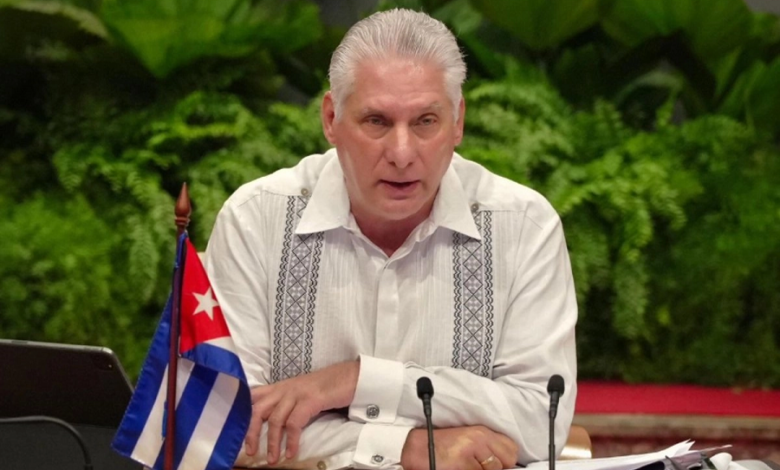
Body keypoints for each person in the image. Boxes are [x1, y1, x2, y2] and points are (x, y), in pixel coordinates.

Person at [204, 8, 577, 470]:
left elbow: (540, 424)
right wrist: (407, 447)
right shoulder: (255, 220)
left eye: (425, 121)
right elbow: (223, 424)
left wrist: (355, 382)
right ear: (331, 119)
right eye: (377, 121)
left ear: (458, 121)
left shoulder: (523, 227)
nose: (402, 154)